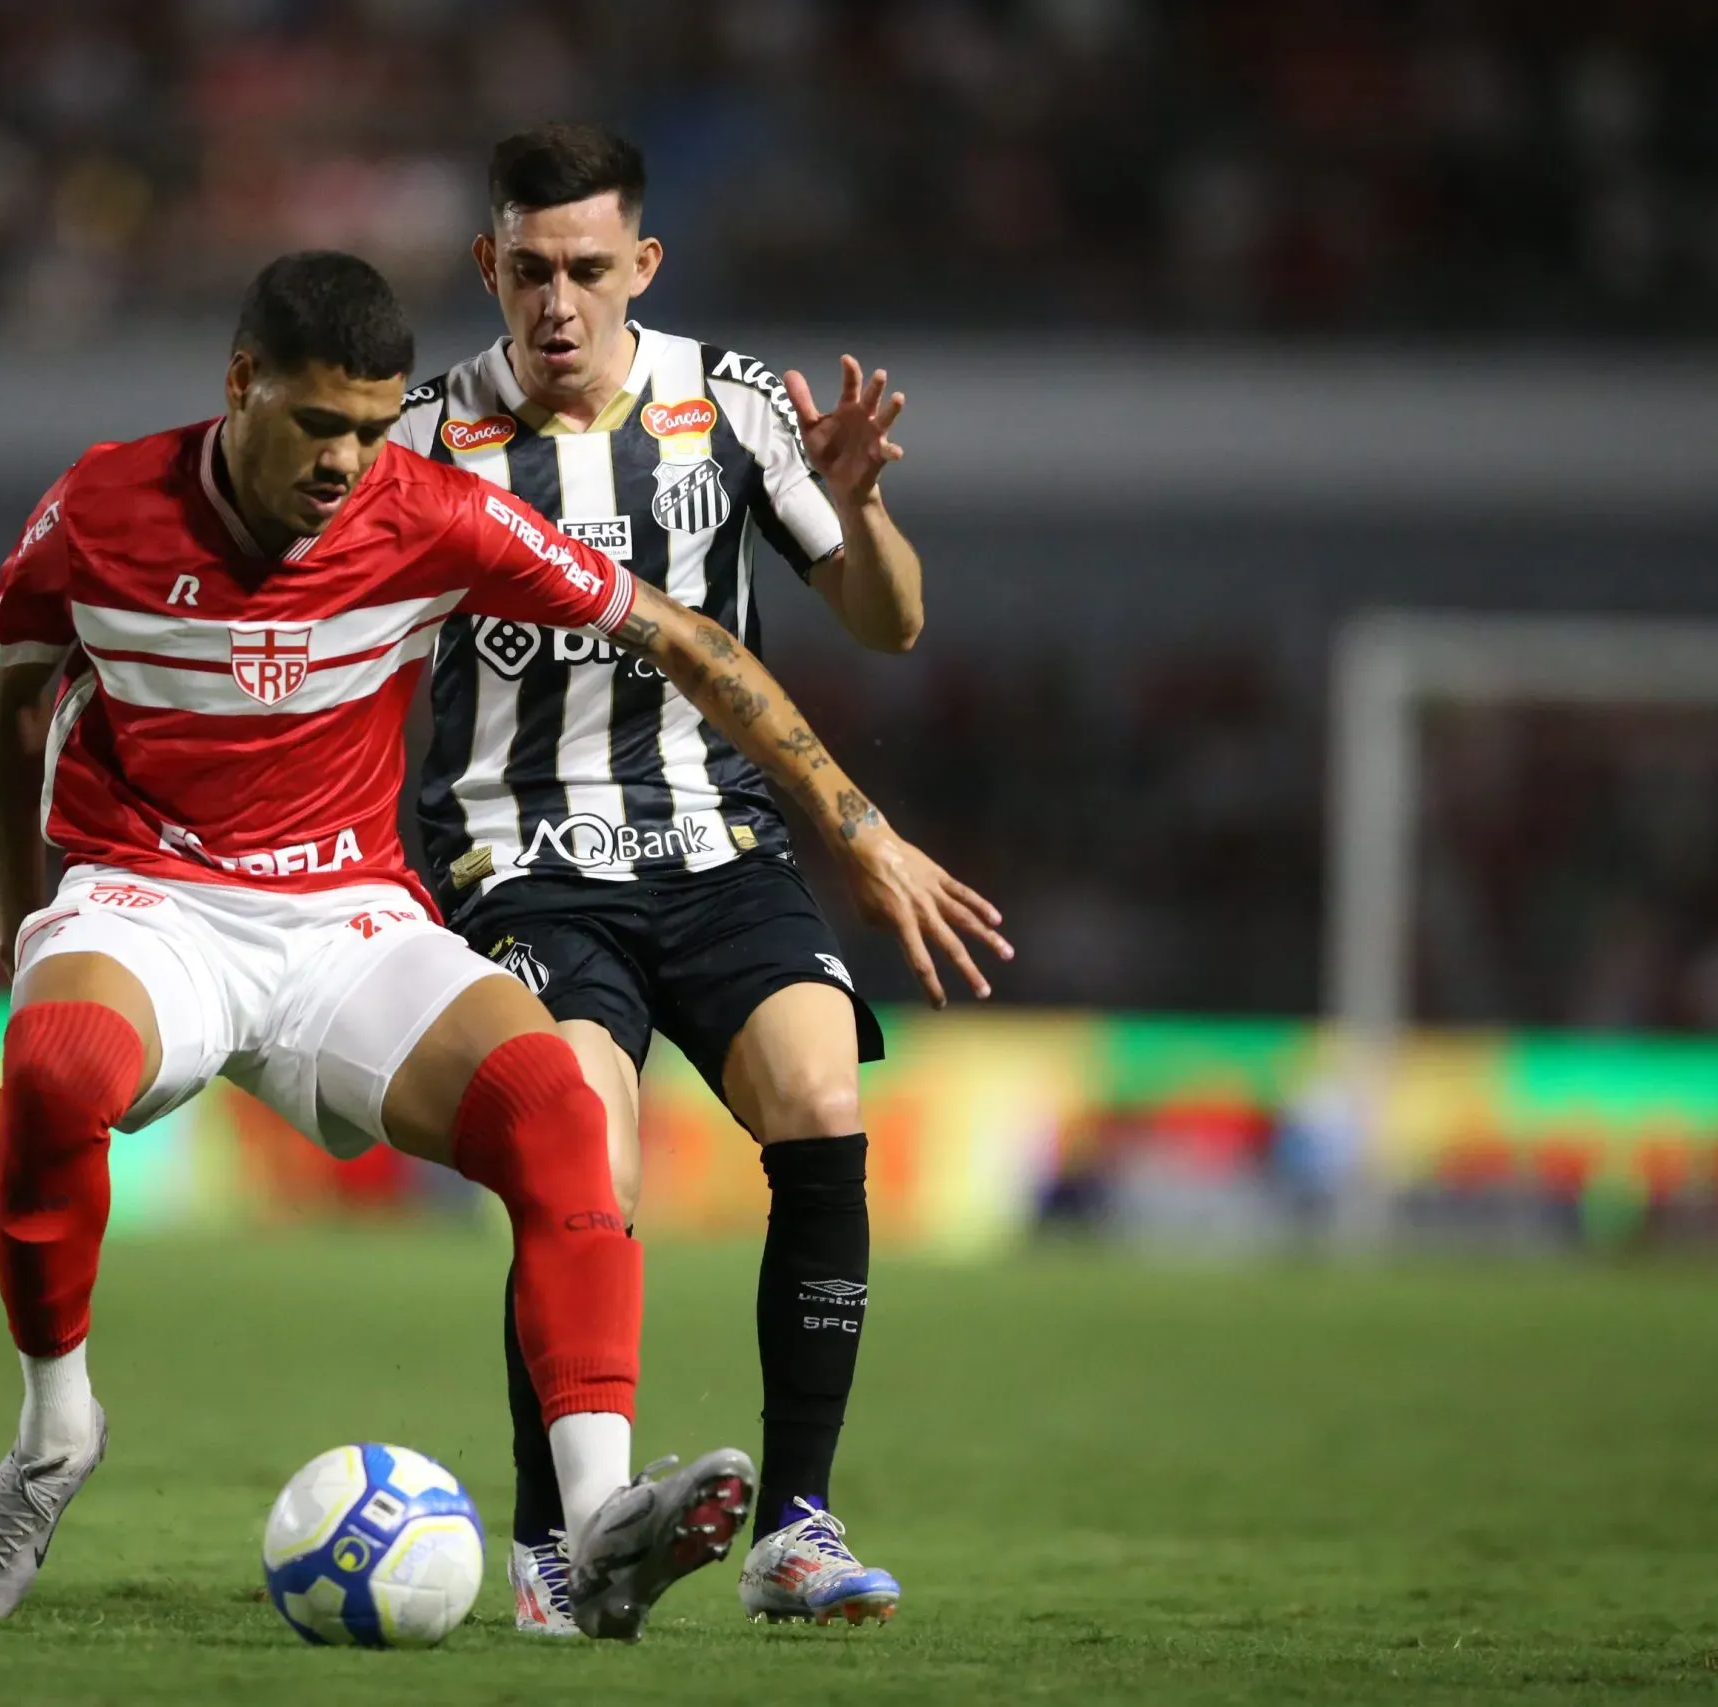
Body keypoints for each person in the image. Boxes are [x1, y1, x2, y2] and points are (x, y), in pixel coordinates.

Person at [0, 250, 1003, 1641]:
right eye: (317, 422)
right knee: (56, 1064)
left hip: (346, 917)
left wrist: (853, 822)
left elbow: (682, 636)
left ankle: (600, 1522)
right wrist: (37, 920)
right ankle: (54, 1431)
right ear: (238, 385)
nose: (345, 462)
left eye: (372, 428)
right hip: (155, 900)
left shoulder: (430, 512)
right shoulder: (98, 508)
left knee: (553, 1102)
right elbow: (9, 701)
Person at [390, 124, 1010, 1631]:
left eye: (589, 270)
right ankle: (553, 1544)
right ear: (488, 265)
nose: (557, 303)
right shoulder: (416, 444)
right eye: (528, 270)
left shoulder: (730, 405)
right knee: (581, 1145)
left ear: (641, 267)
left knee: (821, 1094)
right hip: (519, 854)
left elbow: (893, 622)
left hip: (715, 839)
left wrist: (857, 508)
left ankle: (794, 1525)